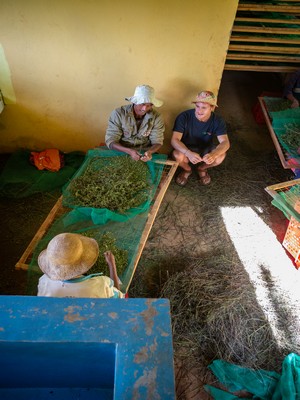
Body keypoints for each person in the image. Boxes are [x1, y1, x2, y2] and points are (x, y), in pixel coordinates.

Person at [37, 232, 124, 298]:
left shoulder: (44, 282)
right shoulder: (101, 284)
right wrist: (112, 265)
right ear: (84, 267)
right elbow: (120, 299)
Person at [171, 90, 230, 186]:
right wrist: (188, 153)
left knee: (220, 156)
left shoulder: (218, 120)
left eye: (204, 107)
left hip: (206, 149)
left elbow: (225, 143)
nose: (199, 111)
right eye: (197, 106)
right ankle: (187, 170)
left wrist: (214, 154)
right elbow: (174, 140)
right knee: (177, 155)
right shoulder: (184, 116)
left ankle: (202, 168)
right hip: (186, 148)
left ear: (212, 107)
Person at [105, 84, 165, 162]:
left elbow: (157, 141)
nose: (144, 109)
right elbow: (111, 140)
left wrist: (150, 152)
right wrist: (129, 151)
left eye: (149, 105)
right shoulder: (118, 113)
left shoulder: (157, 117)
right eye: (142, 104)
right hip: (122, 150)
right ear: (135, 102)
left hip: (145, 152)